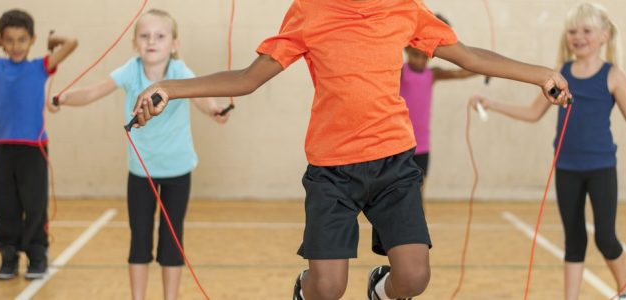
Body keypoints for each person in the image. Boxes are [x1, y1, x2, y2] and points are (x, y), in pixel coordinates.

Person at [129, 1, 571, 299]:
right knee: (328, 288)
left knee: (415, 276)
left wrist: (539, 74)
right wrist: (169, 87)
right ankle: (305, 287)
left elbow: (468, 56)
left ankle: (380, 288)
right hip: (332, 170)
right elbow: (248, 79)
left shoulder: (402, 8)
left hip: (394, 163)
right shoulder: (310, 10)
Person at [470, 3, 626, 299]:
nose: (578, 37)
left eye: (586, 30)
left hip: (601, 168)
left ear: (603, 36)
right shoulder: (560, 74)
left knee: (605, 238)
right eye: (573, 31)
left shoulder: (613, 75)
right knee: (573, 240)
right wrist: (492, 104)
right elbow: (532, 112)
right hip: (566, 169)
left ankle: (625, 291)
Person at [52, 9, 228, 300]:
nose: (151, 42)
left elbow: (201, 97)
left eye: (160, 36)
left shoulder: (180, 72)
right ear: (135, 43)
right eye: (144, 36)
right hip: (141, 173)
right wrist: (65, 98)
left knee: (172, 242)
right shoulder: (130, 71)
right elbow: (94, 92)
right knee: (140, 240)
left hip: (178, 170)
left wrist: (215, 111)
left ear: (174, 44)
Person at [0, 8, 77, 280]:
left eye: (22, 39)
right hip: (3, 147)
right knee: (5, 206)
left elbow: (72, 43)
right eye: (9, 40)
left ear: (32, 39)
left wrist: (53, 40)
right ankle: (8, 256)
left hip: (33, 149)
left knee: (34, 204)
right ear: (2, 41)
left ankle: (37, 255)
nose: (15, 46)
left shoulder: (40, 67)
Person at [400, 14, 477, 180]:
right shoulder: (400, 73)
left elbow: (460, 73)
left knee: (420, 186)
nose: (420, 61)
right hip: (400, 143)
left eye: (423, 56)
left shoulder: (432, 74)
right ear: (406, 49)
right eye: (415, 55)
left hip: (422, 144)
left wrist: (484, 69)